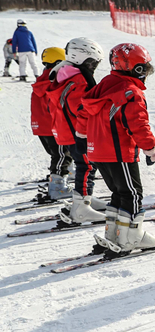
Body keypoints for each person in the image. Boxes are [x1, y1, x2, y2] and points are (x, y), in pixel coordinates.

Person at [83, 43, 155, 256]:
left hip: (98, 151)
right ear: (134, 69)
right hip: (119, 152)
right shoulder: (130, 92)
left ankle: (114, 235)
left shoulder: (105, 84)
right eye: (144, 69)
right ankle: (132, 237)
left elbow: (83, 112)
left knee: (119, 193)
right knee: (133, 194)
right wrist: (150, 148)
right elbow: (138, 124)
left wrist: (82, 136)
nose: (146, 74)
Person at [50, 37, 107, 225]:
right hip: (76, 133)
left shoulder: (66, 73)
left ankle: (85, 198)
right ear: (81, 58)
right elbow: (81, 109)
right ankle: (80, 208)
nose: (94, 67)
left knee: (87, 165)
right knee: (87, 166)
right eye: (92, 62)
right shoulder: (79, 80)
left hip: (67, 131)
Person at [31, 47, 72, 201]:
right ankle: (57, 187)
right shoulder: (56, 80)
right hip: (53, 126)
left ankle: (62, 175)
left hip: (40, 126)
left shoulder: (42, 78)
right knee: (62, 155)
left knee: (58, 154)